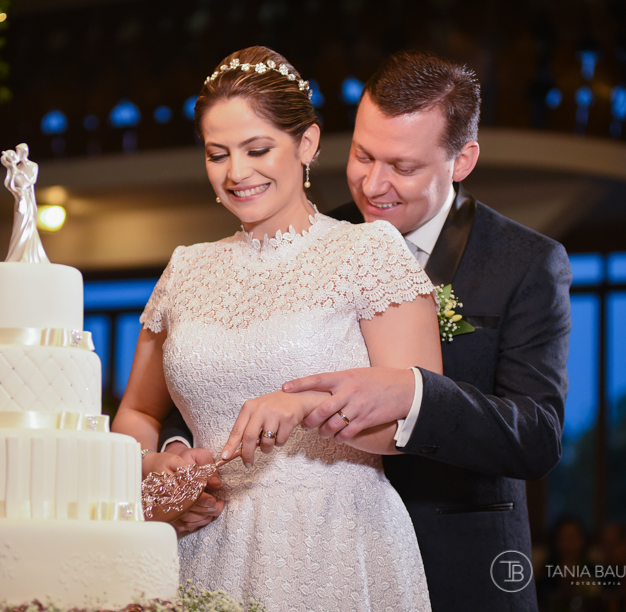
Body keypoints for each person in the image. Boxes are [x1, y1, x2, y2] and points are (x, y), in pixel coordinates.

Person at [163, 50, 572, 612]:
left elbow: (538, 435)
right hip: (287, 553)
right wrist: (174, 456)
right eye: (362, 155)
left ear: (462, 160)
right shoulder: (316, 237)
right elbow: (212, 380)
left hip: (460, 560)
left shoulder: (524, 261)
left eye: (402, 167)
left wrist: (413, 392)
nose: (373, 185)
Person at [111, 46, 438, 612]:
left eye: (257, 149)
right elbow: (137, 414)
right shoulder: (185, 268)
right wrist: (148, 471)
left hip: (335, 539)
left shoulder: (367, 251)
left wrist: (310, 406)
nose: (237, 173)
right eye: (218, 155)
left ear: (306, 144)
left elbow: (420, 415)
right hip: (204, 544)